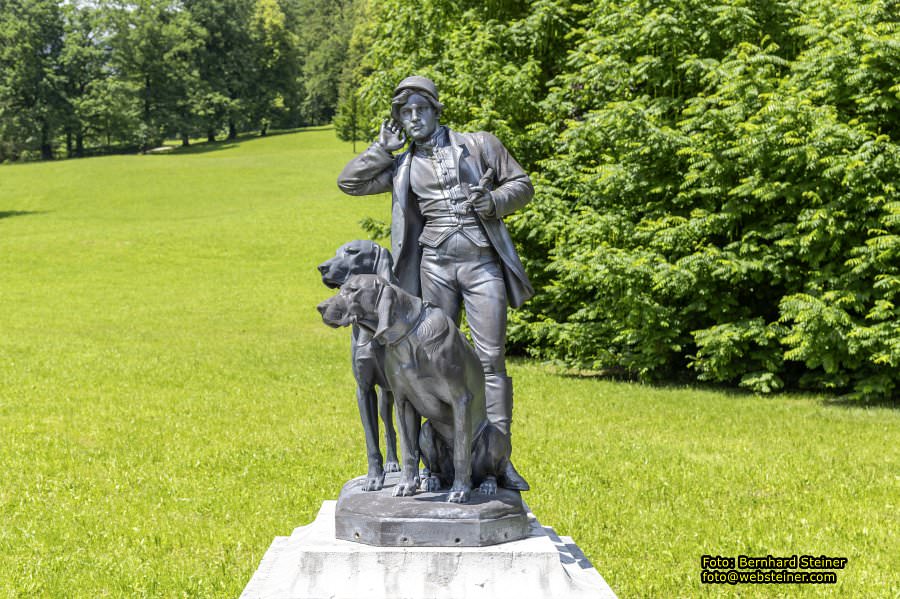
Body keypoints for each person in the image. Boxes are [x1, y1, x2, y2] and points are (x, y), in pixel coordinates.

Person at [337, 75, 533, 489]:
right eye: (405, 113)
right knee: (428, 361)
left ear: (436, 109)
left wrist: (494, 202)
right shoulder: (402, 165)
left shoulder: (479, 145)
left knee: (490, 358)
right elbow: (349, 181)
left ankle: (500, 458)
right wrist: (382, 149)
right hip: (434, 265)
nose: (413, 118)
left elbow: (522, 184)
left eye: (420, 109)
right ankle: (436, 460)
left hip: (482, 263)